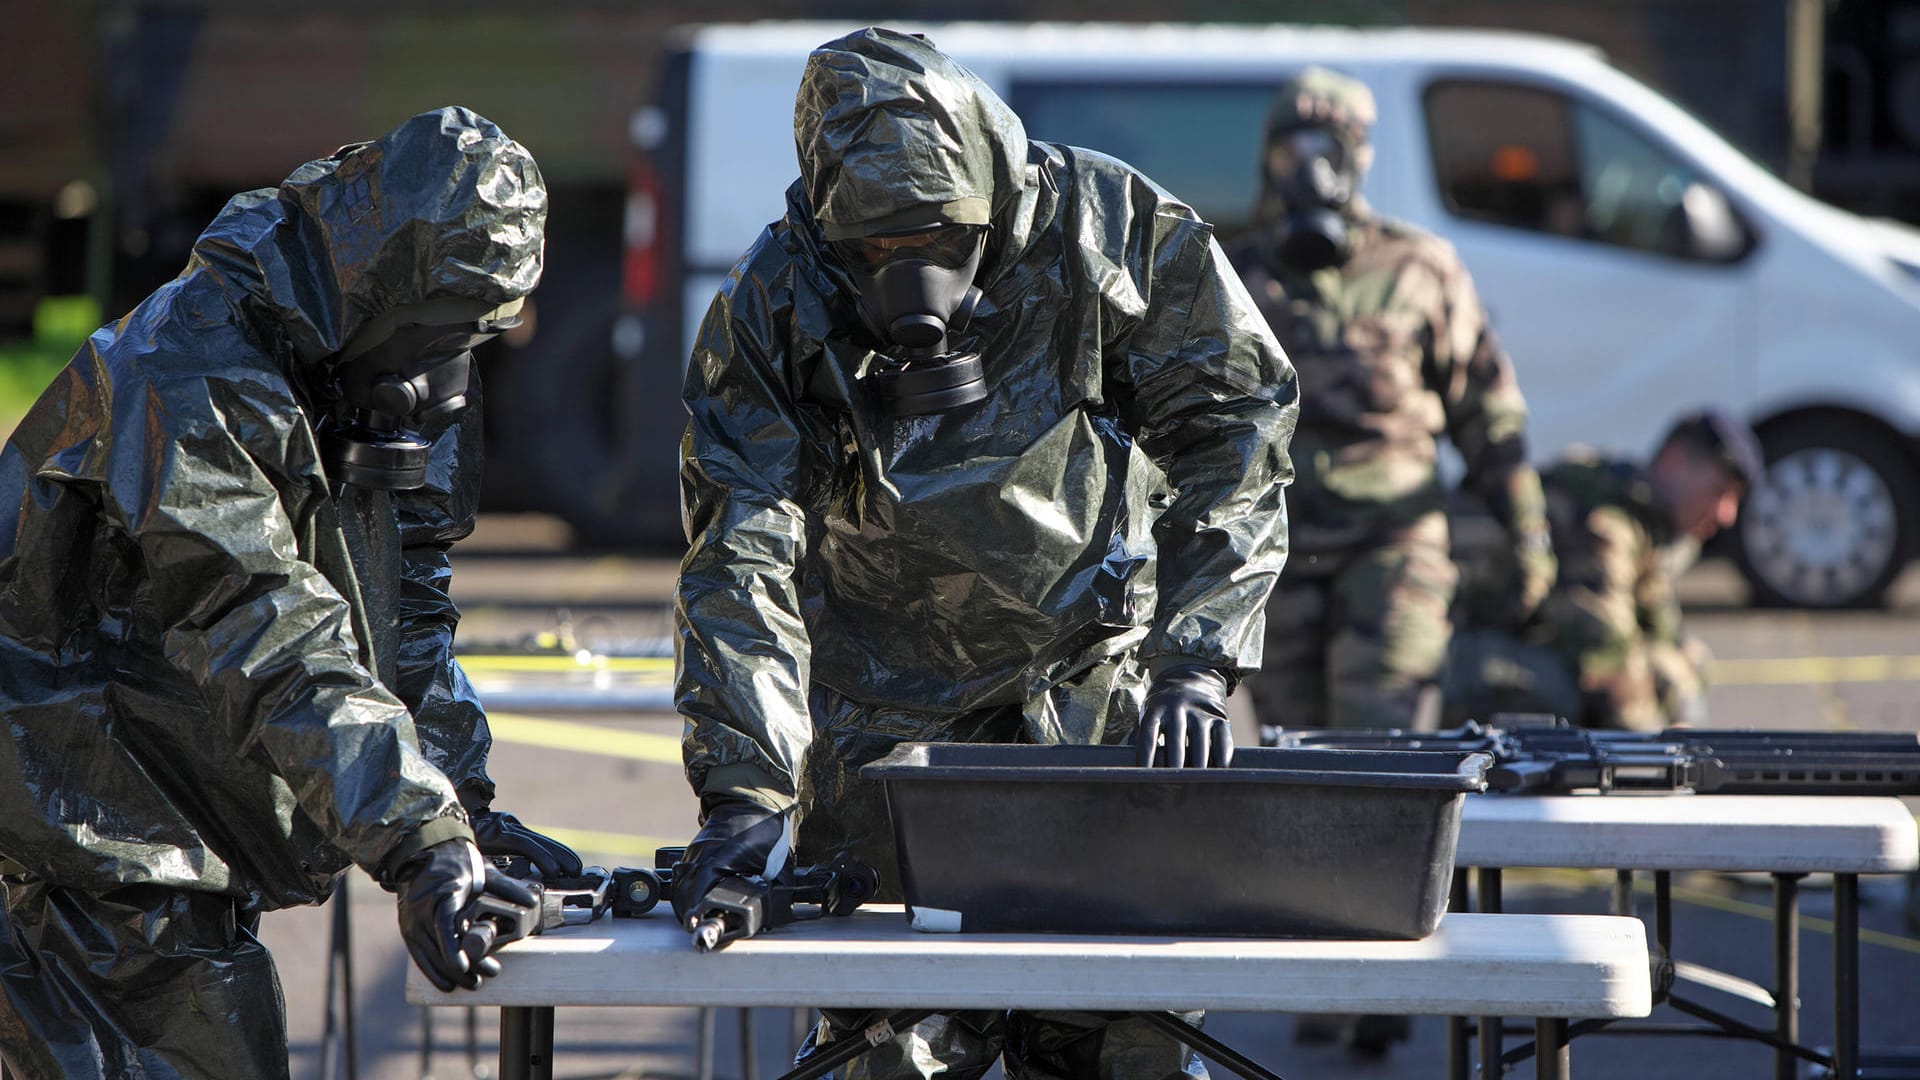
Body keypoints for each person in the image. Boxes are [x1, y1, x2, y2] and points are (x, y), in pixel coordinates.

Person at [672, 27, 1296, 1080]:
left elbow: (1235, 435)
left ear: (990, 200)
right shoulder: (783, 296)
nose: (903, 270)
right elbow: (739, 552)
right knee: (885, 1045)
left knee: (1121, 1039)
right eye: (872, 249)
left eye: (933, 239)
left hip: (1091, 708)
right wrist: (743, 799)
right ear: (829, 224)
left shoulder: (1110, 230)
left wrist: (1196, 661)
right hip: (885, 729)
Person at [0, 106, 575, 1079]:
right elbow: (265, 629)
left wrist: (459, 811)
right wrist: (417, 836)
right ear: (382, 291)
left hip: (173, 816)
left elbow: (409, 607)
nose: (449, 375)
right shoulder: (185, 379)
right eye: (443, 333)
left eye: (479, 335)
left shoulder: (365, 365)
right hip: (94, 835)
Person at [1230, 67, 1555, 741]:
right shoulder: (1233, 276)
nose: (1310, 169)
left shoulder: (1418, 268)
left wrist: (1527, 537)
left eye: (1331, 150)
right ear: (1267, 158)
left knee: (1375, 748)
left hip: (1392, 548)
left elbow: (1488, 414)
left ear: (1363, 158)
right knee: (1287, 757)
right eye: (1294, 152)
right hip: (1275, 557)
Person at [1447, 408, 1762, 730]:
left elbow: (1665, 637)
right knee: (1566, 690)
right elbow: (1607, 655)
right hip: (1481, 659)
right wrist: (1661, 755)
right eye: (1720, 492)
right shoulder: (1606, 522)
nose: (1727, 515)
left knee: (1686, 661)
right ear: (1675, 461)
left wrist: (1681, 707)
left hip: (1537, 643)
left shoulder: (1645, 519)